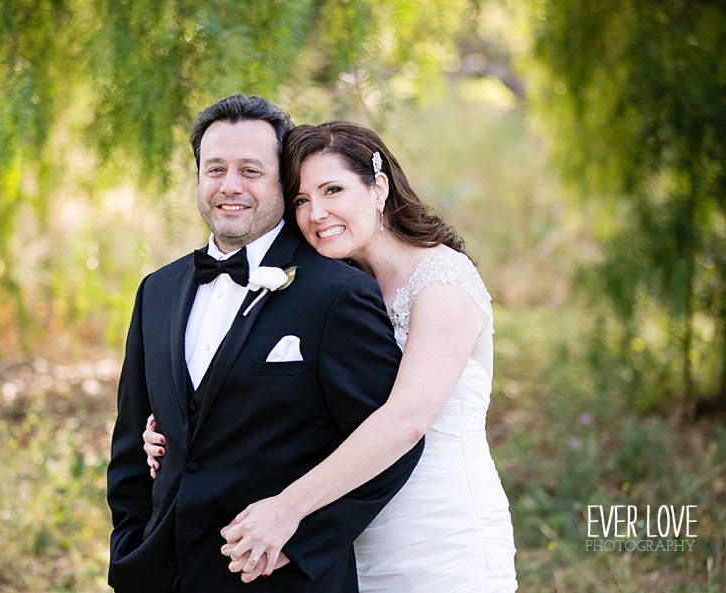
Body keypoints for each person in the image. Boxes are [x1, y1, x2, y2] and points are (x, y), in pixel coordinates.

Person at [145, 121, 518, 591]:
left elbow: (407, 420)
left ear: (378, 187)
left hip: (438, 534)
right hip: (349, 536)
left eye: (333, 190)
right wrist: (177, 429)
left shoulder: (442, 280)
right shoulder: (334, 289)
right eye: (301, 200)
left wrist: (287, 509)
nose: (317, 213)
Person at [106, 98, 423, 593]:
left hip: (282, 579)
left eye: (251, 170)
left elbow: (391, 448)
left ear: (283, 181)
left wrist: (300, 546)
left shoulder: (336, 292)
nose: (230, 186)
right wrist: (129, 546)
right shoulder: (157, 291)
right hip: (165, 575)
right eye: (216, 169)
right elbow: (131, 441)